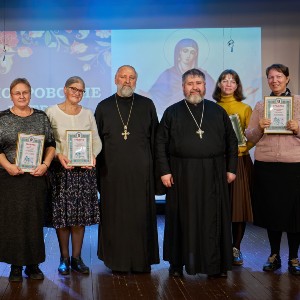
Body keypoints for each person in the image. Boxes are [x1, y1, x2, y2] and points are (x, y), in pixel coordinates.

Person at [156, 68, 238, 277]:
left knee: (213, 219)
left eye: (199, 83)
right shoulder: (171, 112)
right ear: (183, 87)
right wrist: (164, 171)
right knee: (181, 219)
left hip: (214, 172)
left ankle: (214, 265)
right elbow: (160, 144)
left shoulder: (217, 111)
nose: (195, 87)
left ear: (205, 86)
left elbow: (231, 141)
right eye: (190, 83)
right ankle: (177, 263)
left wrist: (231, 169)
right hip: (181, 172)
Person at [94, 65, 160, 273]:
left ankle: (142, 260)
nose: (127, 81)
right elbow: (95, 144)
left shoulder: (147, 105)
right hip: (111, 175)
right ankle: (117, 262)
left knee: (141, 218)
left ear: (136, 81)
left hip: (142, 175)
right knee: (115, 218)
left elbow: (156, 141)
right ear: (115, 79)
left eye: (131, 77)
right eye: (123, 77)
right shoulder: (103, 107)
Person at [245, 63, 300, 275]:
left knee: (294, 215)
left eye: (278, 76)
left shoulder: (297, 102)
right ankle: (274, 255)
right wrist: (259, 127)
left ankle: (294, 257)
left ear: (287, 78)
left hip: (293, 166)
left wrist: (297, 128)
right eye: (270, 77)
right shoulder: (261, 105)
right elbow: (249, 136)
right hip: (267, 166)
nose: (274, 80)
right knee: (272, 213)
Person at [0, 78, 56, 282]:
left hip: (35, 177)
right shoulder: (2, 118)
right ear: (11, 95)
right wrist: (8, 166)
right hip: (10, 177)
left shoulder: (41, 117)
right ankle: (15, 266)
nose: (22, 96)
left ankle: (33, 265)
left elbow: (51, 144)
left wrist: (46, 164)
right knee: (13, 222)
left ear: (31, 93)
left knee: (34, 221)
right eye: (17, 93)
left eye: (25, 92)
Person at [45, 76, 102, 275]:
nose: (77, 93)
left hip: (83, 173)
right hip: (61, 171)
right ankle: (64, 258)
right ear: (64, 89)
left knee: (79, 218)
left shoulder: (87, 113)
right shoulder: (51, 112)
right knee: (63, 218)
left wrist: (92, 156)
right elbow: (48, 141)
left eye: (81, 90)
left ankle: (77, 258)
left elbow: (95, 140)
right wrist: (58, 155)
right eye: (73, 88)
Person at [212, 69, 254, 266]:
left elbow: (252, 136)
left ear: (237, 86)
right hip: (216, 163)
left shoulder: (245, 108)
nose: (228, 84)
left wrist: (242, 148)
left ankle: (235, 247)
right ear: (219, 84)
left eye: (232, 81)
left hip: (239, 162)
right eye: (224, 80)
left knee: (238, 208)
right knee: (218, 206)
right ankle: (219, 247)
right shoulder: (211, 107)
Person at [147, 38, 215, 115]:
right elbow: (155, 96)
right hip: (175, 115)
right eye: (185, 51)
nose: (188, 55)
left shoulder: (203, 75)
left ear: (195, 55)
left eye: (192, 52)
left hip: (199, 114)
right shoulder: (168, 74)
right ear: (179, 52)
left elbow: (213, 95)